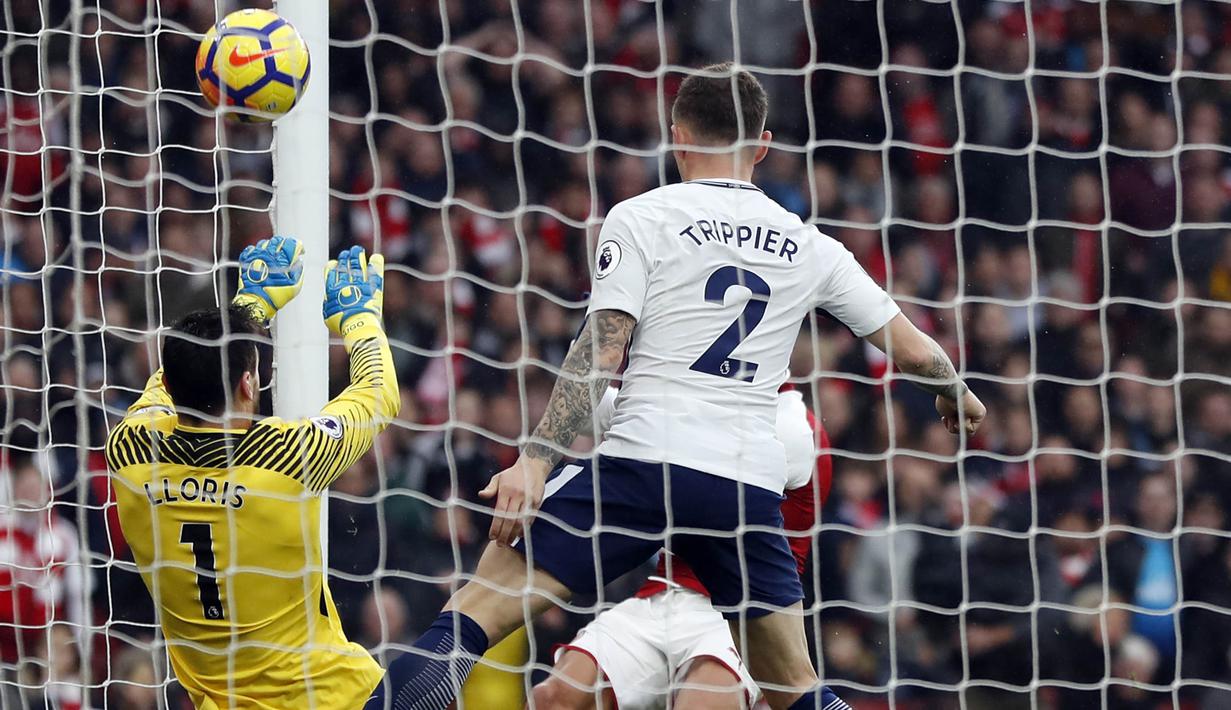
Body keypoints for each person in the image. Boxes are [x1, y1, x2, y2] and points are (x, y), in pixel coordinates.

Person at [372, 63, 985, 710]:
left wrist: (534, 459)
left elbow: (601, 349)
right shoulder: (811, 246)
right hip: (741, 489)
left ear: (677, 136)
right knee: (795, 688)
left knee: (468, 620)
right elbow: (911, 349)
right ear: (763, 144)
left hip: (643, 466)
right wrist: (954, 391)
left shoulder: (643, 216)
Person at [106, 238, 399, 707]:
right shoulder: (286, 456)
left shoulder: (130, 448)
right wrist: (359, 320)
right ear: (249, 381)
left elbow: (166, 383)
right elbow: (376, 394)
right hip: (330, 698)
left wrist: (249, 307)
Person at [531, 385, 832, 709]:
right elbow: (597, 405)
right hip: (663, 595)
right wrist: (583, 366)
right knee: (552, 698)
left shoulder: (795, 427)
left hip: (740, 615)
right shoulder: (696, 403)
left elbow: (662, 428)